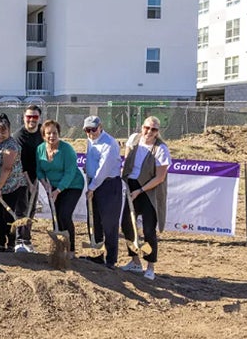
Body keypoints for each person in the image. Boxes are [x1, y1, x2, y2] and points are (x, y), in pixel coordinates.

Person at [120, 116, 171, 280]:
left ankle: (150, 266)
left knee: (149, 230)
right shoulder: (134, 140)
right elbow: (127, 163)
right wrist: (127, 184)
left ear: (158, 132)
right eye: (147, 128)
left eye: (153, 129)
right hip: (131, 187)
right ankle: (135, 261)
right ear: (142, 127)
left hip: (150, 191)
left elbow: (160, 177)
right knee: (127, 225)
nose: (149, 132)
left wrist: (140, 191)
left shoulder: (161, 149)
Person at [35, 120, 84, 258]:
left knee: (64, 214)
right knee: (56, 217)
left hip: (72, 185)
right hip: (53, 186)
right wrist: (45, 184)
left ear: (59, 133)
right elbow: (39, 170)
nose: (52, 136)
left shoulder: (66, 149)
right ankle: (60, 248)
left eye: (55, 133)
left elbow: (70, 172)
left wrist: (58, 190)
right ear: (44, 135)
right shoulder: (40, 149)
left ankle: (71, 250)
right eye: (48, 133)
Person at [0, 113, 29, 253]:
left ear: (9, 131)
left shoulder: (11, 145)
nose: (0, 135)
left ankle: (10, 244)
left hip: (11, 186)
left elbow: (6, 168)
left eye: (3, 132)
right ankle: (0, 244)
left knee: (8, 215)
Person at [83, 115, 123, 269]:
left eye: (93, 129)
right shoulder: (90, 140)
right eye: (88, 130)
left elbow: (103, 169)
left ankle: (111, 259)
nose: (91, 132)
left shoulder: (110, 143)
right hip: (94, 182)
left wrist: (92, 187)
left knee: (109, 224)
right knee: (94, 221)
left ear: (101, 127)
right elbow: (92, 161)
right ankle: (97, 255)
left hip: (108, 185)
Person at [13, 104, 44, 251]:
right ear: (24, 117)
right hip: (20, 175)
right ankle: (19, 241)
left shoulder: (43, 133)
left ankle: (27, 240)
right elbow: (19, 161)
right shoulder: (19, 136)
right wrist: (28, 182)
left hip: (36, 175)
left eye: (35, 117)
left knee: (31, 209)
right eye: (29, 117)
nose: (31, 120)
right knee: (22, 208)